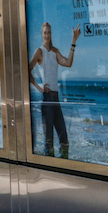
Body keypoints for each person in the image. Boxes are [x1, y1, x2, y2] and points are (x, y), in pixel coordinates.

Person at [28, 22, 81, 159]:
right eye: (45, 32)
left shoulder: (55, 52)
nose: (47, 35)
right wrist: (39, 88)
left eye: (49, 32)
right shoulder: (39, 52)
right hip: (47, 99)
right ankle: (49, 171)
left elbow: (68, 63)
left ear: (51, 35)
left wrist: (73, 41)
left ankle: (63, 167)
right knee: (49, 141)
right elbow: (27, 70)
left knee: (64, 140)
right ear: (42, 34)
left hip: (56, 100)